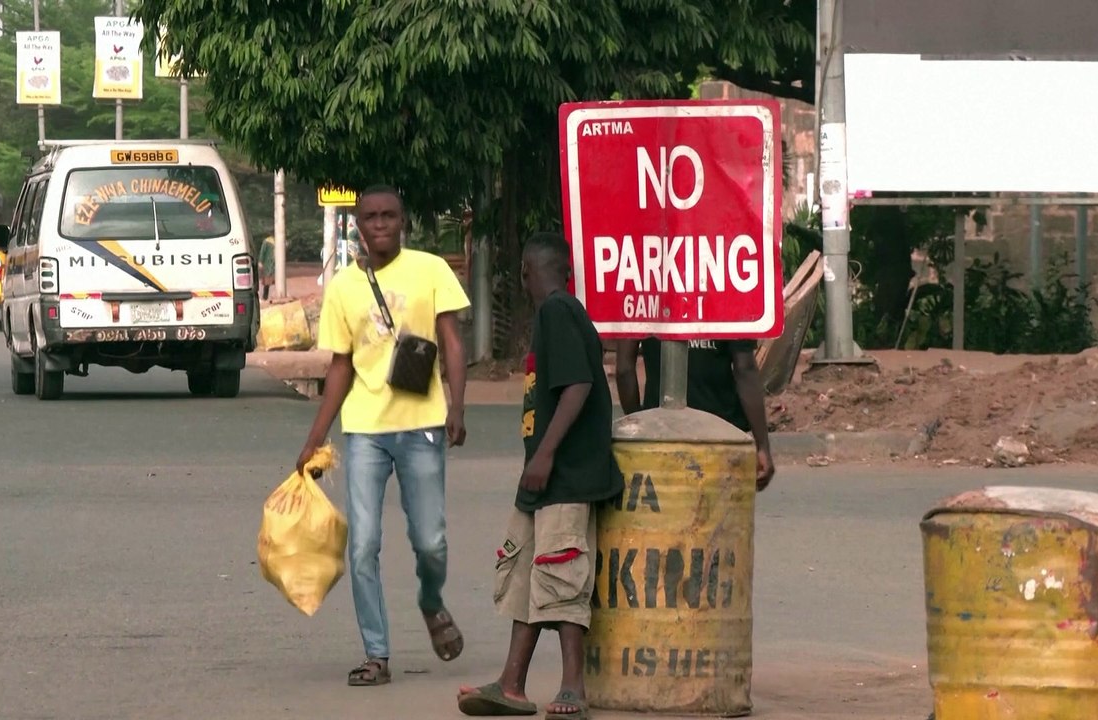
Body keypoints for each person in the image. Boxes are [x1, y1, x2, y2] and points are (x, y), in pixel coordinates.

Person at [295, 184, 470, 686]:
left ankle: (431, 601)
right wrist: (315, 438)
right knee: (363, 545)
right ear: (357, 224)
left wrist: (457, 405)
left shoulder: (431, 269)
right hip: (366, 430)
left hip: (423, 426)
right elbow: (340, 366)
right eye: (370, 217)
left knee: (431, 541)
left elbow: (452, 341)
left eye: (388, 216)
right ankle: (377, 654)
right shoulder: (345, 288)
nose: (379, 225)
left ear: (403, 220)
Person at [457, 232, 623, 720]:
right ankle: (511, 684)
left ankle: (573, 687)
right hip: (542, 480)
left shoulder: (558, 312)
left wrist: (546, 454)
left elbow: (578, 385)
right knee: (525, 573)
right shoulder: (560, 313)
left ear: (527, 272)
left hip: (565, 476)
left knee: (562, 572)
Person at [614, 335, 775, 491]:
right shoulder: (731, 306)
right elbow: (744, 369)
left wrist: (638, 424)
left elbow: (624, 369)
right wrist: (762, 445)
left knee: (667, 514)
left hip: (659, 432)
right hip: (721, 434)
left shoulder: (642, 307)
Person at [257, 234, 276, 302]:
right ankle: (265, 297)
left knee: (273, 281)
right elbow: (262, 252)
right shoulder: (267, 241)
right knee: (267, 282)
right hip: (268, 264)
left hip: (275, 265)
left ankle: (271, 296)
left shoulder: (278, 241)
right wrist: (260, 261)